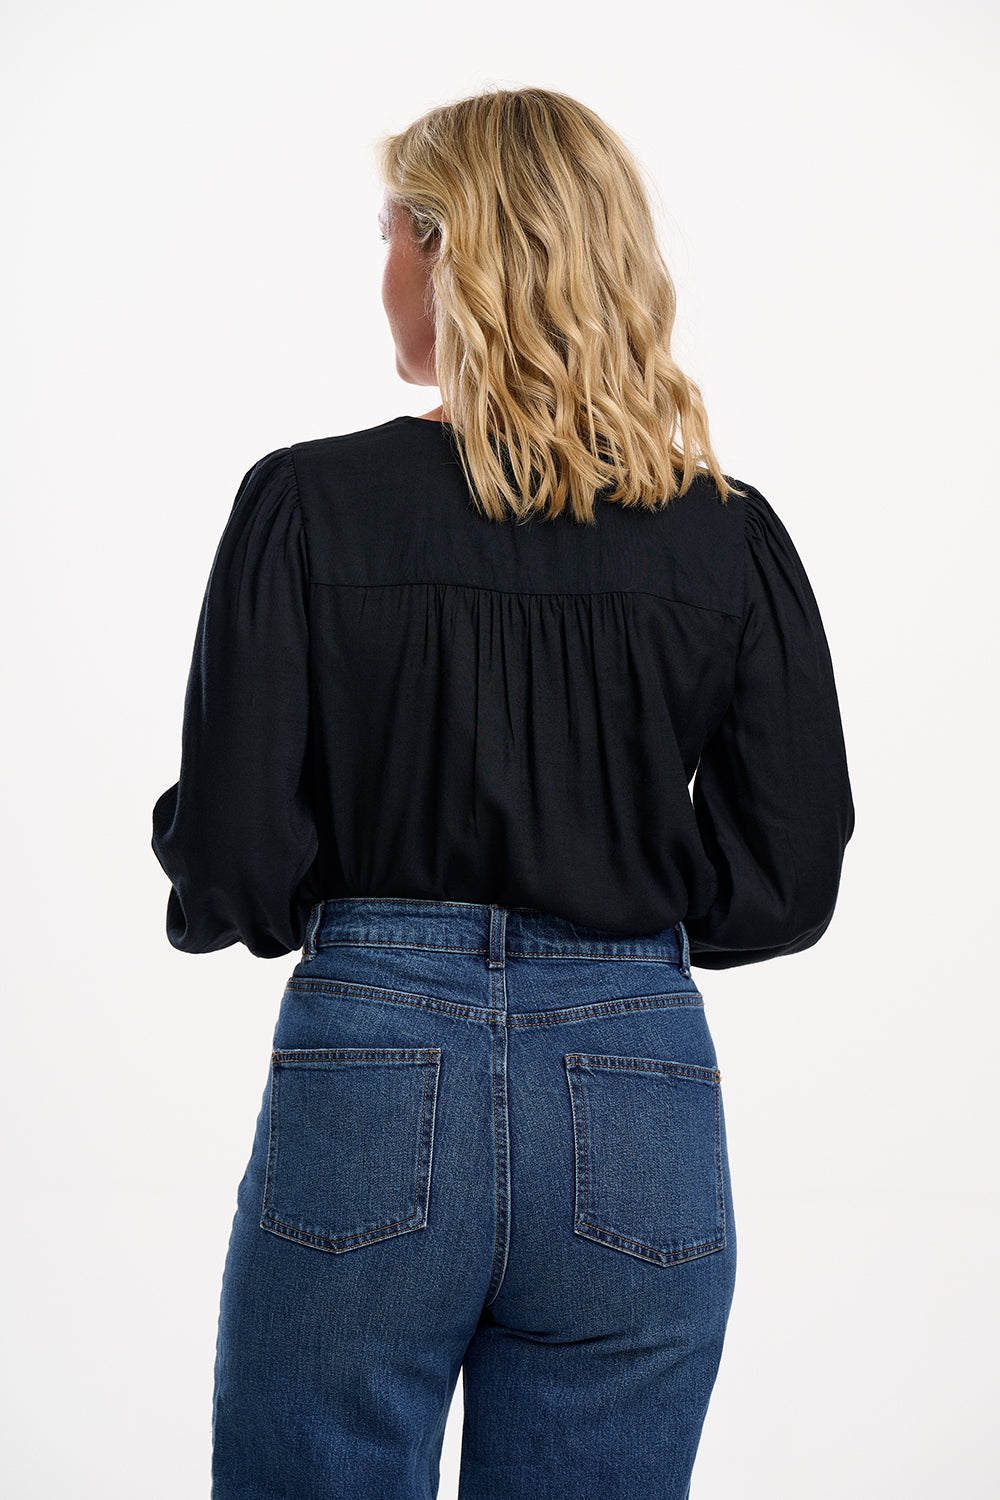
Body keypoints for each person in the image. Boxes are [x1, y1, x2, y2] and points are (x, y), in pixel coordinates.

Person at [151, 86, 854, 1500]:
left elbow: (229, 857)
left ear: (443, 247)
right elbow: (787, 875)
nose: (382, 268)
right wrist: (618, 925)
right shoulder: (727, 536)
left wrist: (340, 910)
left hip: (372, 1062)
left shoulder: (308, 504)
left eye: (389, 233)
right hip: (635, 1081)